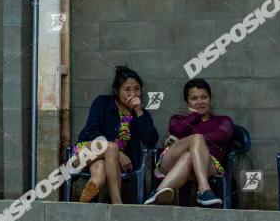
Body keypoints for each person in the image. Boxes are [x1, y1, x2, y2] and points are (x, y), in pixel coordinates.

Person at [71, 66, 159, 204]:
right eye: (127, 89)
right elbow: (91, 131)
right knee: (111, 148)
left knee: (99, 173)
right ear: (116, 91)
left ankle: (84, 203)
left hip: (110, 162)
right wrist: (118, 152)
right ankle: (117, 204)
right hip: (83, 153)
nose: (133, 94)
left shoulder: (141, 114)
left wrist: (140, 113)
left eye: (137, 89)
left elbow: (151, 140)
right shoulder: (102, 103)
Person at [144, 78, 233, 206]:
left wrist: (185, 141)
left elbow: (221, 135)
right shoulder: (177, 119)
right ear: (187, 102)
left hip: (209, 164)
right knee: (195, 140)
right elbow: (176, 129)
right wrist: (195, 116)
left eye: (204, 97)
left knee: (190, 152)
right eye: (194, 98)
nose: (200, 102)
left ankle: (157, 192)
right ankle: (204, 190)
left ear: (210, 99)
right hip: (171, 162)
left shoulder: (223, 120)